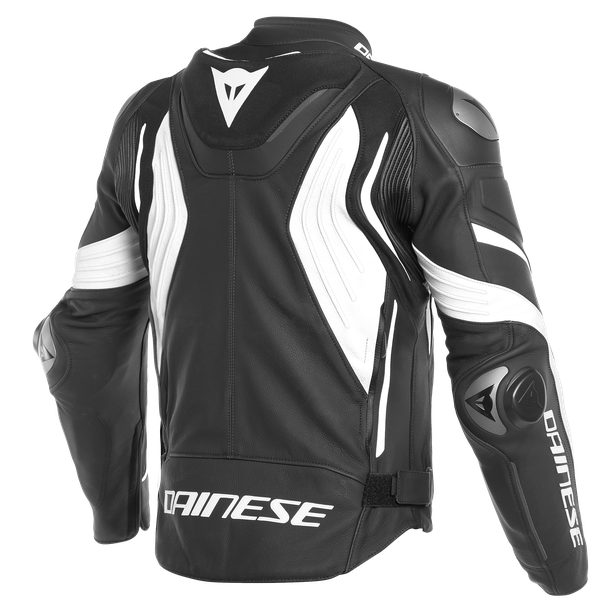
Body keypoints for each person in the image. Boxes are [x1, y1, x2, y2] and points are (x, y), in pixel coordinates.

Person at [31, 15, 588, 593]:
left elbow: (78, 345)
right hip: (358, 539)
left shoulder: (144, 121)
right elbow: (505, 377)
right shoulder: (421, 116)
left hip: (186, 535)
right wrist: (561, 571)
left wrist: (119, 515)